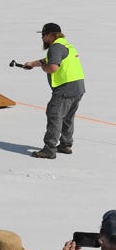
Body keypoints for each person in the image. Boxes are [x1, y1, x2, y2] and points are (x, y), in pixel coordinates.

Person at [23, 23, 86, 159]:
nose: (42, 38)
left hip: (65, 89)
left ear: (51, 35)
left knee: (54, 115)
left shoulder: (55, 48)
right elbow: (47, 60)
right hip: (78, 87)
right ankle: (65, 144)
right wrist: (31, 64)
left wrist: (44, 68)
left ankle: (49, 150)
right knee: (67, 117)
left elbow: (52, 67)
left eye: (43, 35)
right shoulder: (66, 45)